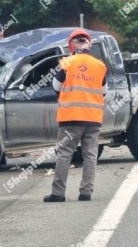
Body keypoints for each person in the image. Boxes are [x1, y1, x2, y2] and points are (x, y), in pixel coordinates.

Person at [43, 29, 107, 203]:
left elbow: (56, 86)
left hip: (70, 117)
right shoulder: (99, 65)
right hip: (93, 118)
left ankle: (58, 193)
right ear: (89, 44)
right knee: (90, 155)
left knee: (64, 154)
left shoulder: (67, 63)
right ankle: (86, 193)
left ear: (72, 44)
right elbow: (103, 92)